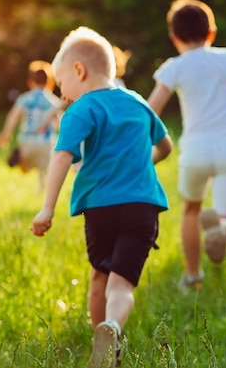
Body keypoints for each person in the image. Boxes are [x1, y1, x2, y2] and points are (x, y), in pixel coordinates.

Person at [30, 26, 172, 368]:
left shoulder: (81, 110)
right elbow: (165, 147)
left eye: (62, 83)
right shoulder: (137, 102)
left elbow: (61, 155)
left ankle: (102, 344)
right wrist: (140, 164)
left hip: (100, 209)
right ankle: (112, 328)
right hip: (141, 207)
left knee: (98, 277)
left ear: (78, 70)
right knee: (121, 285)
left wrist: (47, 208)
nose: (63, 92)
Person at [147, 0, 226, 289]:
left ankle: (192, 275)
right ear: (211, 33)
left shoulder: (174, 67)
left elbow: (149, 111)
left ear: (174, 37)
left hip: (195, 151)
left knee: (191, 209)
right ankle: (222, 231)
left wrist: (146, 144)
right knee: (225, 214)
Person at [0, 60, 61, 190]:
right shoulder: (53, 102)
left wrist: (6, 134)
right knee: (44, 170)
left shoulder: (25, 99)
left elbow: (13, 116)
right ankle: (41, 191)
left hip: (26, 141)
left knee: (26, 166)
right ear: (51, 83)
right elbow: (60, 123)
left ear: (30, 82)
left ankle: (20, 159)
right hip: (46, 143)